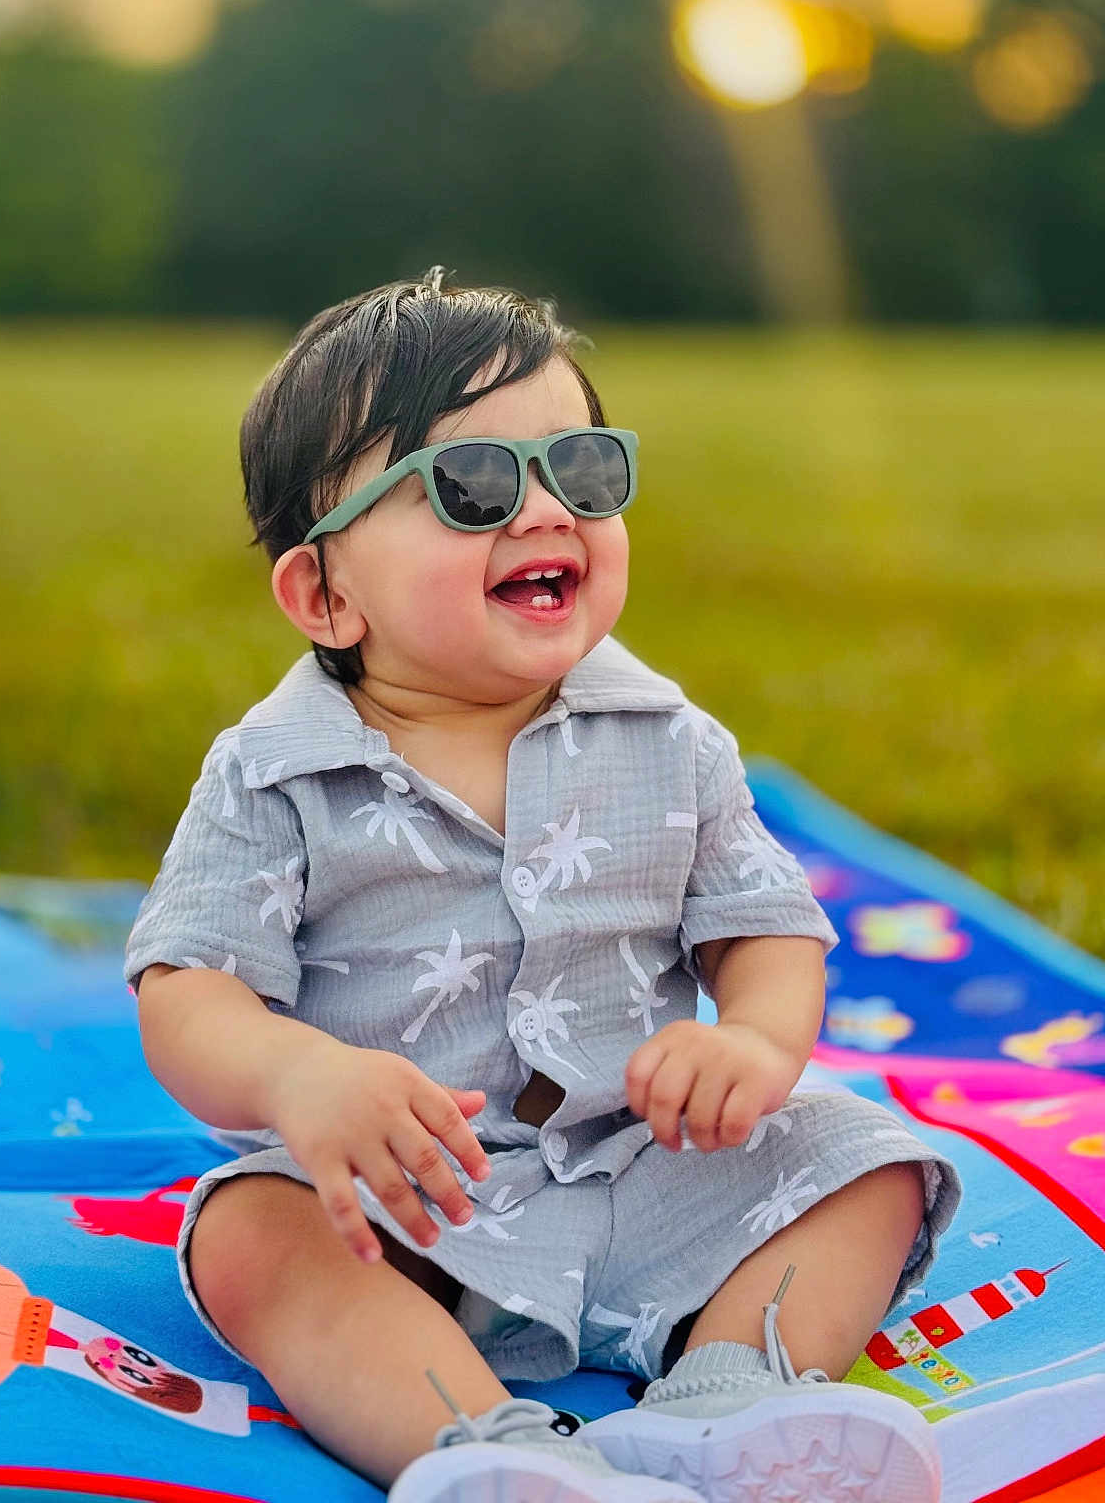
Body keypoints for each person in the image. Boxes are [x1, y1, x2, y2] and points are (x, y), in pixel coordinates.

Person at [125, 270, 961, 1503]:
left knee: (867, 1154)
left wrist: (760, 1039)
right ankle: (486, 1449)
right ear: (326, 594)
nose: (548, 516)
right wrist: (300, 1076)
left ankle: (731, 1396)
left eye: (584, 472)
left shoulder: (668, 739)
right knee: (254, 1236)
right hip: (401, 1207)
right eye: (471, 488)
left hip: (644, 1166)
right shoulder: (274, 775)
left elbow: (765, 927)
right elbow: (185, 989)